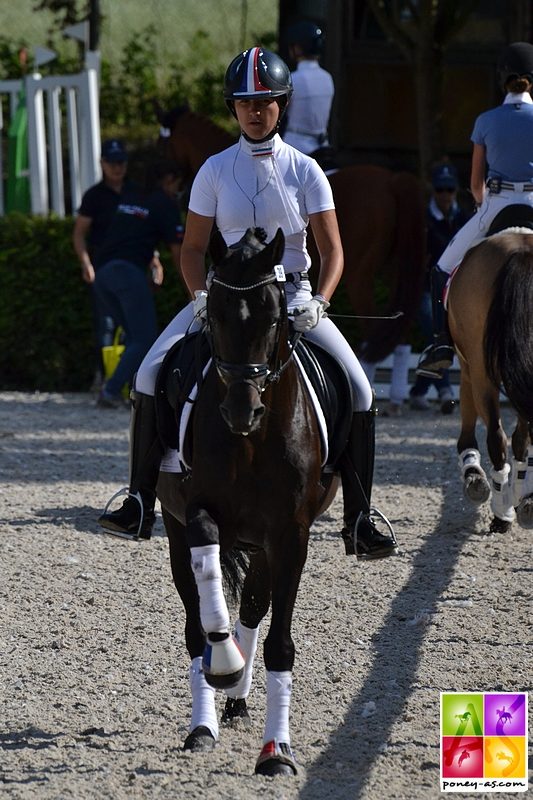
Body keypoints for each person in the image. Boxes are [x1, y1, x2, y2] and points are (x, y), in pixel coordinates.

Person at [97, 46, 397, 561]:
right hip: (226, 299)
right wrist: (198, 298)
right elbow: (192, 249)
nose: (254, 112)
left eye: (265, 103)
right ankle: (140, 499)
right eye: (244, 103)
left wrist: (321, 301)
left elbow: (334, 250)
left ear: (281, 105)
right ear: (233, 108)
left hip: (294, 294)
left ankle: (360, 517)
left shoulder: (307, 170)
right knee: (148, 374)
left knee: (361, 389)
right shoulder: (213, 170)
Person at [417, 41, 533, 378]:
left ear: (502, 79)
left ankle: (440, 343)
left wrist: (483, 206)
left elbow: (475, 183)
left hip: (496, 203)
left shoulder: (485, 120)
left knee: (441, 268)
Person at [93, 160, 184, 408]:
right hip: (127, 274)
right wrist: (193, 288)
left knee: (134, 337)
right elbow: (180, 253)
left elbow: (129, 234)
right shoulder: (165, 203)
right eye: (178, 183)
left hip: (103, 275)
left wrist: (153, 262)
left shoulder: (132, 196)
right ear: (168, 180)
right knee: (144, 340)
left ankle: (128, 390)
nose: (179, 189)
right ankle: (112, 391)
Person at [73, 138, 145, 391]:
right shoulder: (94, 196)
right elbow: (79, 232)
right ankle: (105, 378)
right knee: (106, 326)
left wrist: (155, 260)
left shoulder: (135, 191)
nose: (117, 167)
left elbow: (145, 230)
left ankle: (124, 383)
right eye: (112, 162)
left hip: (133, 267)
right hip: (104, 269)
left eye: (121, 162)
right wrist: (86, 264)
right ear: (102, 163)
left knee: (132, 330)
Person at [409, 163, 470, 413]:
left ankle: (418, 390)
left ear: (456, 191)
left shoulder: (465, 218)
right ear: (433, 191)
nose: (445, 195)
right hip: (427, 289)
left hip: (455, 290)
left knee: (444, 336)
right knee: (437, 332)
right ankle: (445, 391)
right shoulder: (422, 220)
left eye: (449, 189)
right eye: (440, 189)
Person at [281, 21, 334, 159]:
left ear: (297, 48)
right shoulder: (327, 78)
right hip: (323, 146)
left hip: (296, 146)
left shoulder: (293, 79)